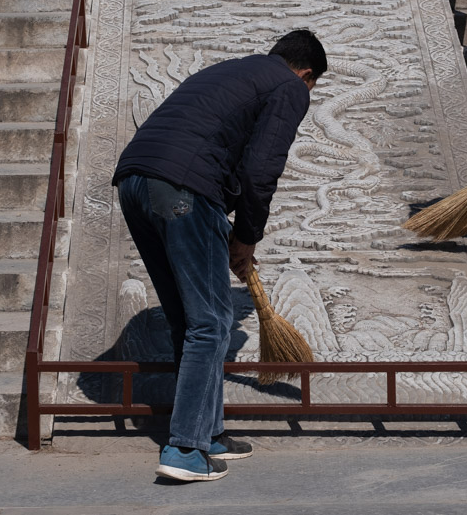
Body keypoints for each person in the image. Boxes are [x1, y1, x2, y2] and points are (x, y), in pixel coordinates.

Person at [112, 29, 327, 481]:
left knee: (190, 322)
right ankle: (184, 448)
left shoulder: (238, 71)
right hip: (184, 187)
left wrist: (228, 229)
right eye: (312, 86)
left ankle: (208, 434)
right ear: (306, 75)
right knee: (210, 324)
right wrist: (247, 236)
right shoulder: (290, 86)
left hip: (136, 181)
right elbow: (260, 167)